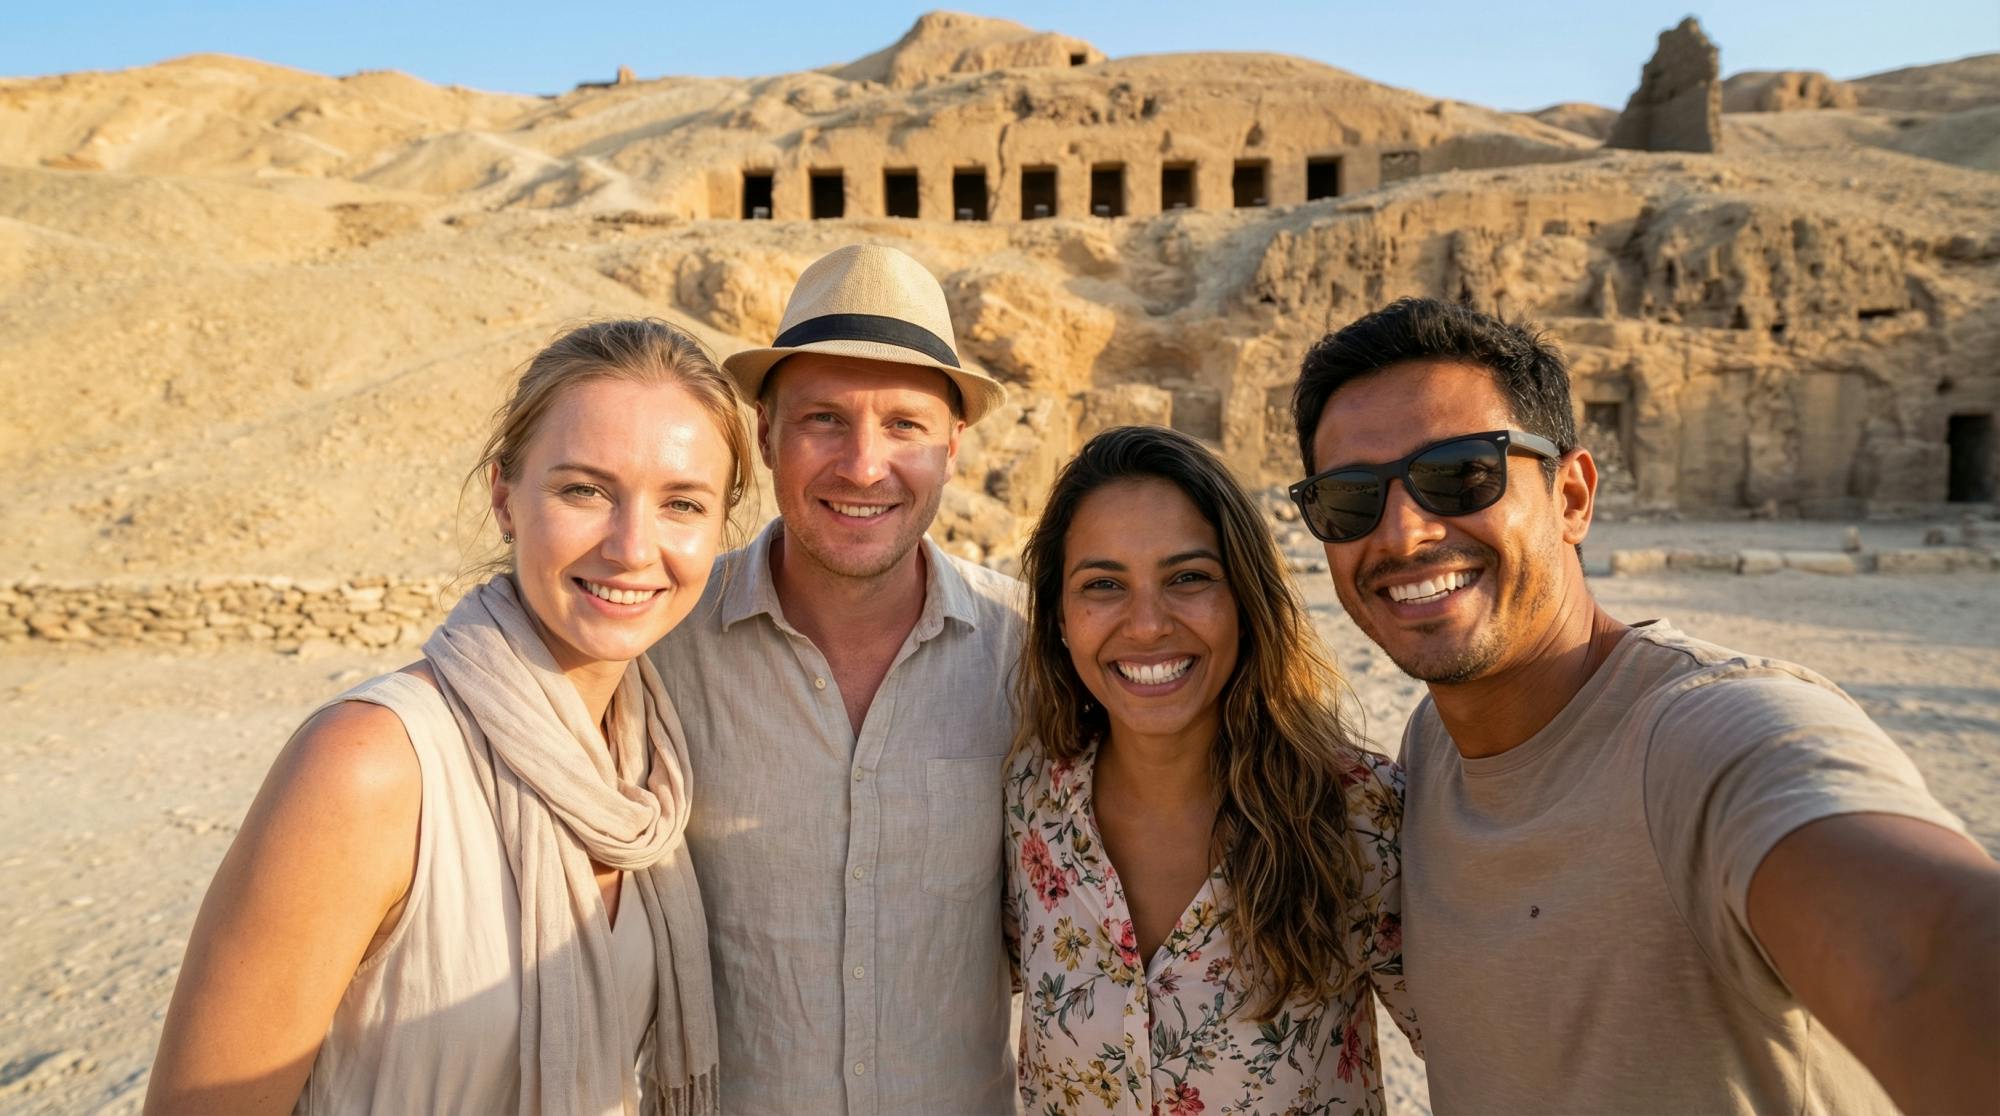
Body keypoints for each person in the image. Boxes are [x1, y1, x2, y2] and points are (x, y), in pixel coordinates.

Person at [1287, 296, 2000, 1116]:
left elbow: (1929, 952)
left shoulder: (1710, 739)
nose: (1404, 533)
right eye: (1349, 500)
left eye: (1460, 476)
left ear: (1572, 497)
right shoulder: (1436, 749)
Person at [145, 319, 751, 1116]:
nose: (634, 548)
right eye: (584, 490)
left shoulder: (648, 774)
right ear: (505, 496)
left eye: (681, 503)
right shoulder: (370, 765)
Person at [648, 244, 1023, 1114]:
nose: (862, 465)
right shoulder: (662, 645)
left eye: (904, 425)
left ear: (953, 448)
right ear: (768, 434)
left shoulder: (1032, 651)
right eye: (823, 419)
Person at [1006, 424, 1418, 1116]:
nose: (1146, 625)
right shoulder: (1031, 804)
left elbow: (1486, 1054)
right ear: (1059, 619)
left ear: (1245, 601)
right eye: (1103, 584)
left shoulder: (1358, 813)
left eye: (1188, 578)